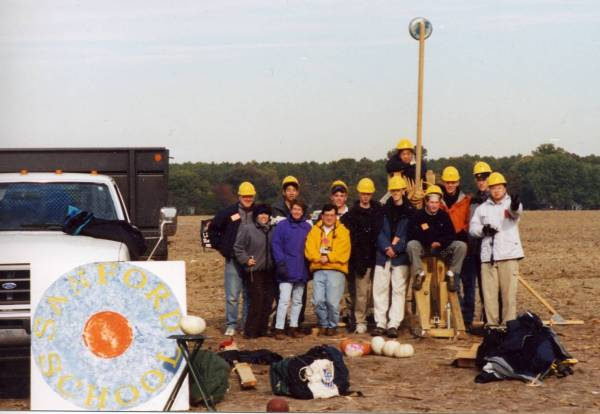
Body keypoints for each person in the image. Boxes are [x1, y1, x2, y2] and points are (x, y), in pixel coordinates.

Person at [469, 172, 524, 326]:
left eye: (499, 187)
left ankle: (508, 327)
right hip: (488, 257)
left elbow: (516, 213)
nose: (496, 191)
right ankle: (491, 327)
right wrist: (483, 230)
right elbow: (473, 228)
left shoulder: (511, 203)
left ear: (504, 188)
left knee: (508, 296)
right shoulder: (482, 208)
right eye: (493, 188)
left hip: (508, 255)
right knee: (489, 296)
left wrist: (514, 205)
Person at [207, 181, 255, 336]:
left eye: (250, 196)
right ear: (239, 196)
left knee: (249, 294)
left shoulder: (258, 212)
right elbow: (213, 230)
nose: (248, 199)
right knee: (233, 295)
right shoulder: (228, 212)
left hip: (251, 261)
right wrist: (222, 248)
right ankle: (232, 324)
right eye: (245, 196)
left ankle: (246, 324)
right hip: (233, 259)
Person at [372, 176, 414, 338]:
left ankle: (394, 324)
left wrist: (396, 248)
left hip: (400, 256)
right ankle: (380, 323)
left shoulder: (410, 211)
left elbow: (410, 234)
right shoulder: (382, 210)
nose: (396, 193)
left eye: (398, 190)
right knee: (380, 288)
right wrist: (386, 247)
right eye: (393, 190)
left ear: (404, 190)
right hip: (383, 255)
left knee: (398, 290)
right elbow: (378, 231)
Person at [340, 178, 383, 334]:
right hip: (360, 258)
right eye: (363, 194)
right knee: (361, 293)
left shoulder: (378, 211)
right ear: (359, 194)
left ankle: (379, 320)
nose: (365, 196)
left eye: (368, 194)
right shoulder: (351, 215)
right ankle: (360, 320)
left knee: (378, 292)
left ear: (372, 194)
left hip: (377, 257)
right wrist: (356, 260)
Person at [406, 185, 467, 292]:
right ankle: (419, 274)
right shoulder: (418, 216)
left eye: (436, 203)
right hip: (424, 249)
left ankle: (452, 273)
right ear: (426, 202)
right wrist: (429, 242)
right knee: (411, 245)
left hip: (442, 251)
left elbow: (451, 235)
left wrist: (440, 242)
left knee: (461, 246)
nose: (434, 205)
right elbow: (412, 234)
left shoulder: (444, 215)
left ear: (439, 203)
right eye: (432, 202)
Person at [305, 204, 351, 336]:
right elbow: (309, 249)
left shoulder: (343, 231)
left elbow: (344, 252)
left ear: (336, 216)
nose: (329, 218)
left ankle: (332, 325)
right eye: (327, 215)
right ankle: (324, 323)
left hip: (336, 270)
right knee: (318, 300)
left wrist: (328, 257)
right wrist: (319, 258)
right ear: (322, 216)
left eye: (332, 215)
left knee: (332, 302)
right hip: (318, 269)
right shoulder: (314, 230)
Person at [439, 166, 474, 326]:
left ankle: (467, 320)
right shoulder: (439, 203)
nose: (450, 185)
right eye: (447, 182)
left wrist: (462, 234)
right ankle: (456, 318)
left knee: (468, 285)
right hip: (447, 248)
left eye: (453, 182)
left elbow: (469, 223)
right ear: (443, 182)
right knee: (453, 284)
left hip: (465, 248)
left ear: (458, 182)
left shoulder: (465, 202)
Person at [271, 201, 312, 340]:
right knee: (283, 300)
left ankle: (294, 327)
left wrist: (309, 266)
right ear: (291, 210)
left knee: (298, 300)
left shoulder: (307, 227)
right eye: (294, 209)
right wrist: (280, 263)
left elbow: (310, 247)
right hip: (286, 269)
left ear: (303, 212)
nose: (296, 212)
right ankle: (279, 328)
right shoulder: (282, 226)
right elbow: (276, 245)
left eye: (299, 209)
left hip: (301, 268)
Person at [233, 204, 275, 338]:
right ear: (256, 216)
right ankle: (250, 331)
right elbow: (238, 247)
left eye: (266, 214)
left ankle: (262, 329)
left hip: (269, 270)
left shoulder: (272, 230)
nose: (263, 216)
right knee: (257, 299)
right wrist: (246, 260)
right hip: (254, 270)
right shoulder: (247, 229)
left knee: (268, 300)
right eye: (261, 214)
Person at [464, 161, 493, 327]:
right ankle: (468, 319)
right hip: (473, 248)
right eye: (478, 178)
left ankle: (488, 318)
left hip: (489, 250)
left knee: (486, 286)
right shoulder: (473, 201)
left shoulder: (495, 200)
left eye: (484, 178)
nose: (481, 181)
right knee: (469, 285)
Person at [384, 138, 426, 207]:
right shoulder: (395, 159)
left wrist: (404, 168)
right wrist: (409, 165)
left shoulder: (418, 160)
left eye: (408, 154)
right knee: (383, 203)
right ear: (399, 155)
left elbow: (421, 172)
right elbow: (389, 167)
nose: (406, 156)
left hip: (419, 195)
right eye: (403, 154)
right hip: (400, 194)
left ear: (412, 154)